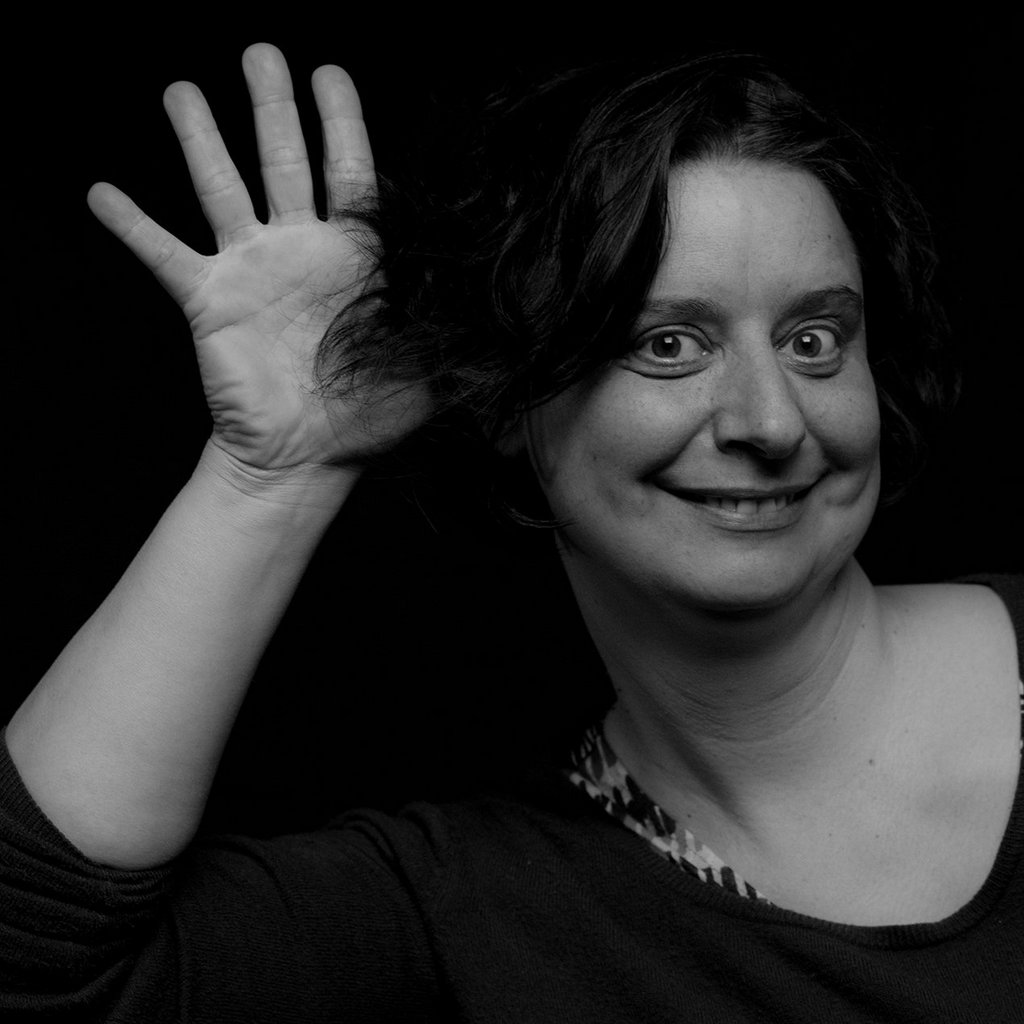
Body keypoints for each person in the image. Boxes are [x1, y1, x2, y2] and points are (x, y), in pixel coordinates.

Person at [2, 41, 1021, 1023]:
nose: (771, 420)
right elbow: (39, 972)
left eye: (814, 339)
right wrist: (267, 476)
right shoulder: (481, 910)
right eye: (669, 343)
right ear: (506, 396)